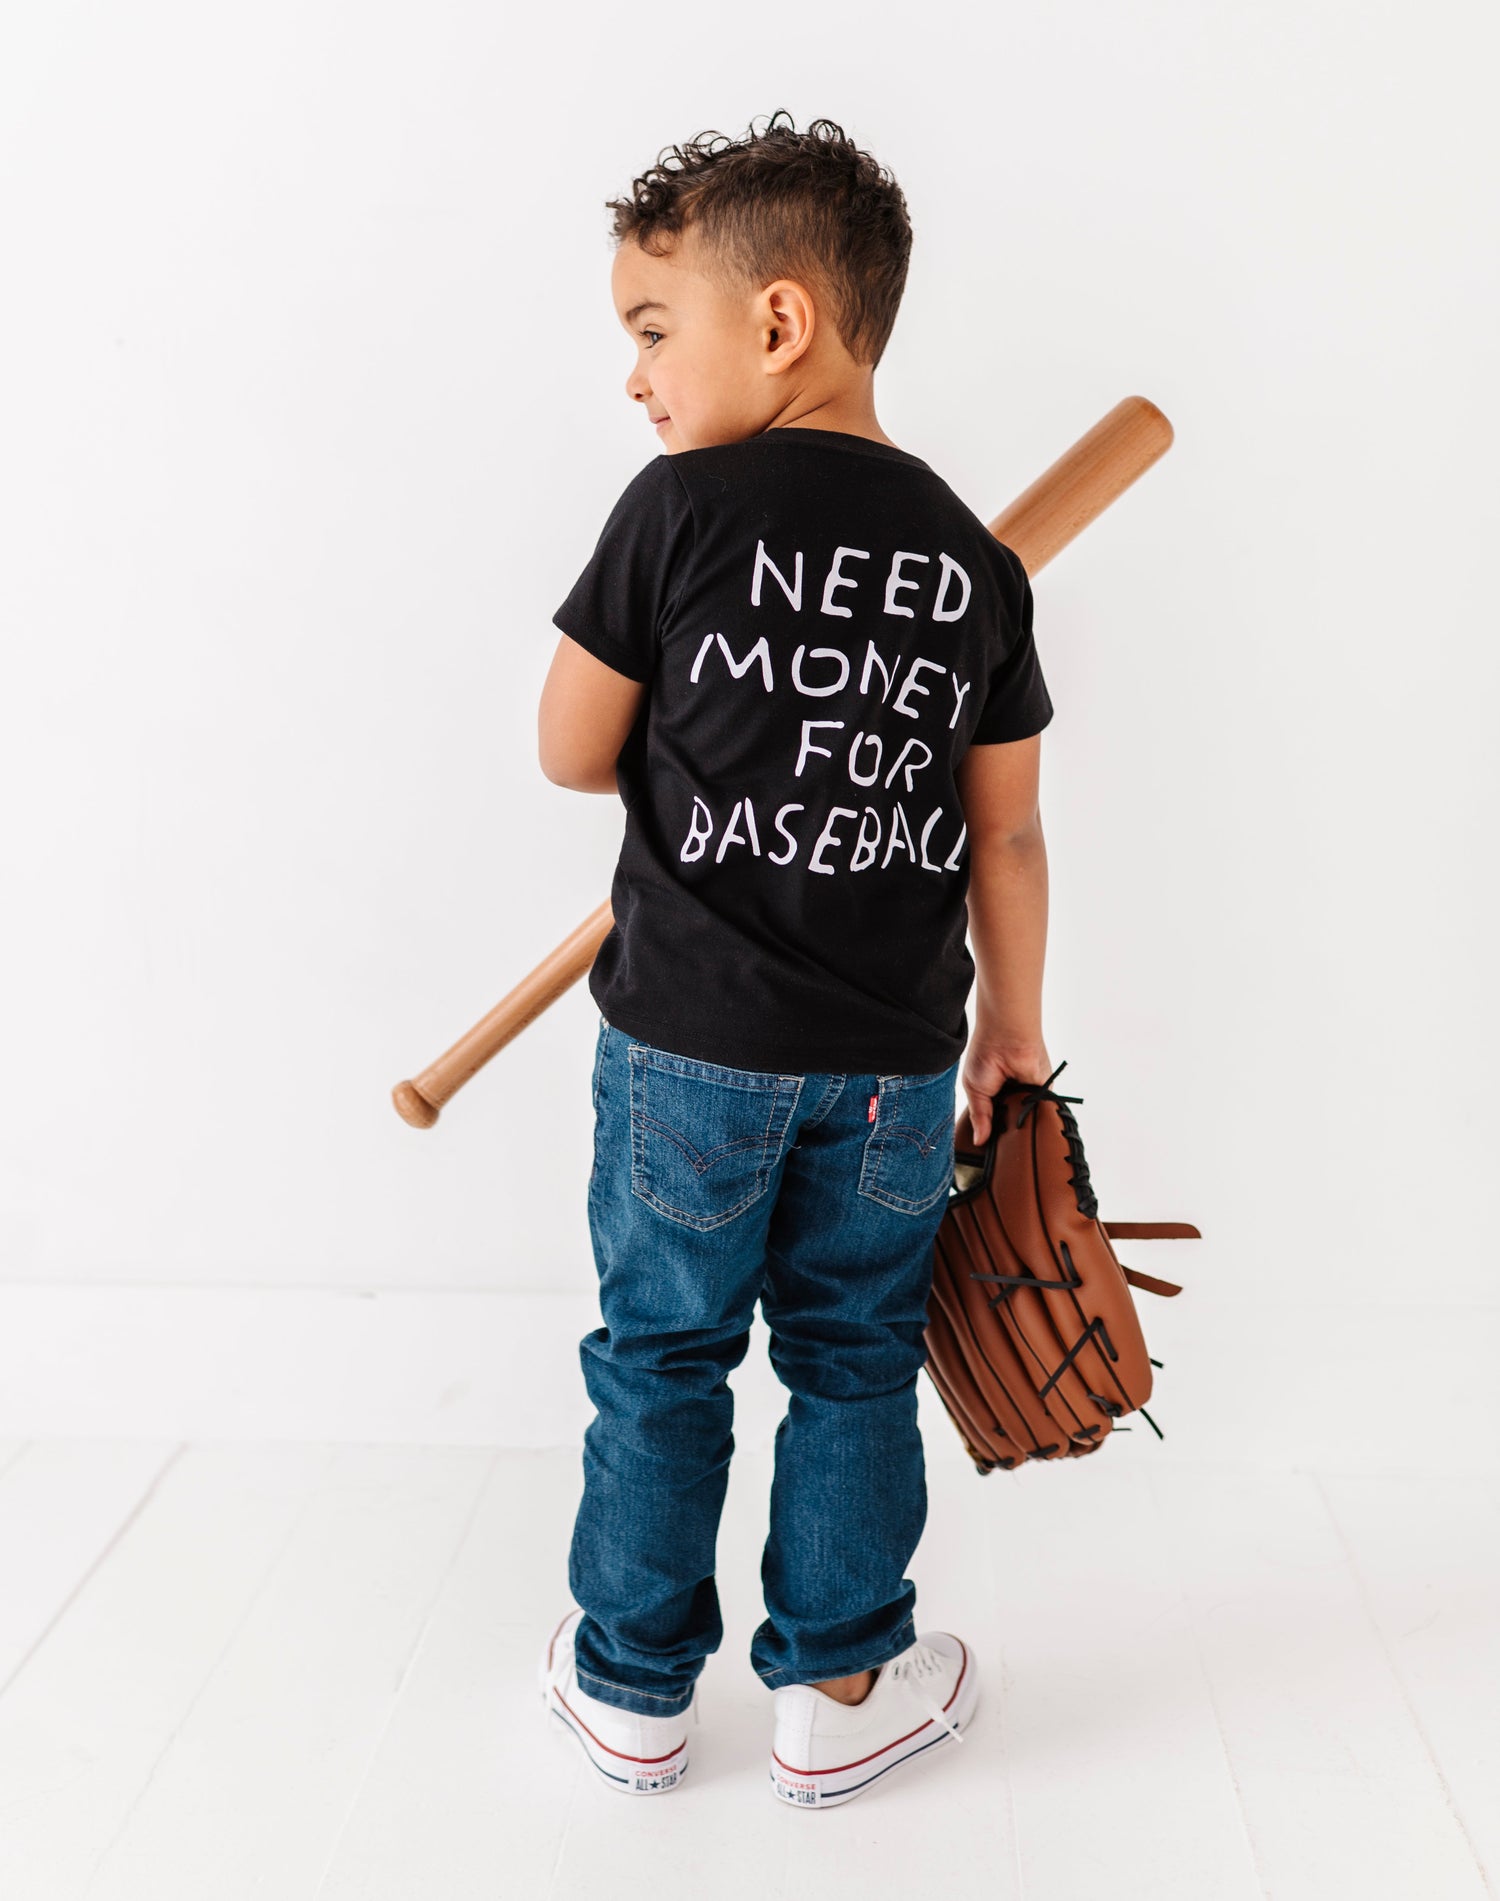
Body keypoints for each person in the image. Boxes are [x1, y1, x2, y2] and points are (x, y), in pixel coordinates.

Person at [534, 110, 1054, 1807]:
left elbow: (563, 744)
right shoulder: (976, 565)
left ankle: (628, 1689)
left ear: (776, 323)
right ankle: (842, 1684)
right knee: (851, 1354)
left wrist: (716, 720)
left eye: (648, 329)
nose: (635, 378)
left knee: (664, 1351)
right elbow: (1009, 837)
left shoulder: (679, 507)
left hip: (687, 1044)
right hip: (900, 1061)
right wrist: (1017, 1042)